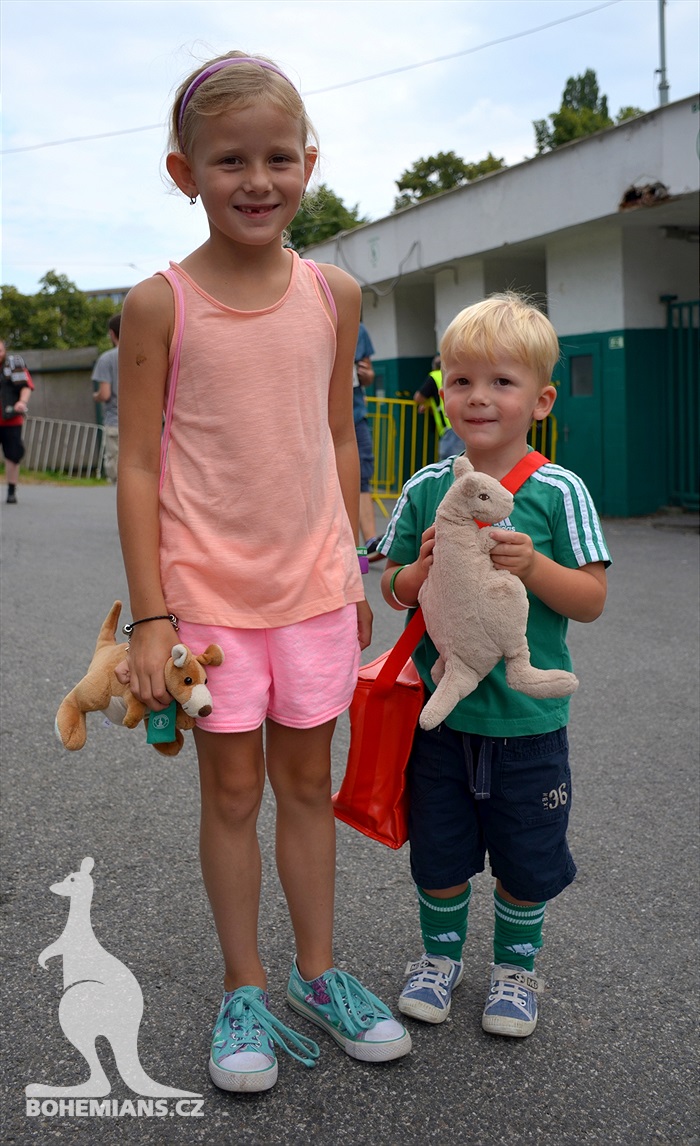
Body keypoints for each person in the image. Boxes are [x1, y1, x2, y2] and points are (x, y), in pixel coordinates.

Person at [116, 51, 411, 1094]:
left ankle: (321, 975)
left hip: (315, 592)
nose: (257, 179)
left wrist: (359, 556)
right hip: (208, 605)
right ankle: (244, 985)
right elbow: (142, 462)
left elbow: (336, 436)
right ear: (182, 169)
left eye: (278, 158)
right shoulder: (159, 304)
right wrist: (151, 618)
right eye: (229, 158)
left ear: (309, 165)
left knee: (307, 785)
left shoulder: (336, 294)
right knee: (232, 789)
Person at [377, 292, 610, 1039]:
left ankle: (515, 970)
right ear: (441, 389)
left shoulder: (557, 490)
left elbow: (592, 598)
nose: (478, 397)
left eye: (502, 382)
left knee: (527, 857)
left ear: (540, 400)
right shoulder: (423, 488)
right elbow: (390, 587)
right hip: (439, 716)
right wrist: (417, 572)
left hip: (530, 722)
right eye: (460, 380)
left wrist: (535, 564)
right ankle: (437, 960)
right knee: (439, 850)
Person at [353, 321, 381, 555]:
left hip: (355, 415)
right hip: (321, 415)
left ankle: (369, 541)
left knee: (362, 475)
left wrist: (366, 375)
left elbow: (369, 374)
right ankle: (348, 546)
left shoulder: (358, 328)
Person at [0, 339, 33, 504]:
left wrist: (22, 402)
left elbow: (26, 386)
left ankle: (11, 490)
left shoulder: (14, 365)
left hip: (10, 419)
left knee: (13, 456)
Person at [414, 354, 463, 460]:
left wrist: (426, 404)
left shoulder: (434, 376)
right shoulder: (455, 376)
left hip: (449, 426)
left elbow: (418, 397)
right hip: (460, 423)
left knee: (450, 463)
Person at [92, 314, 121, 483]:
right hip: (145, 422)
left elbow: (105, 394)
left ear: (112, 333)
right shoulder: (145, 353)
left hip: (116, 421)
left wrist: (95, 396)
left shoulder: (107, 358)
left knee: (116, 471)